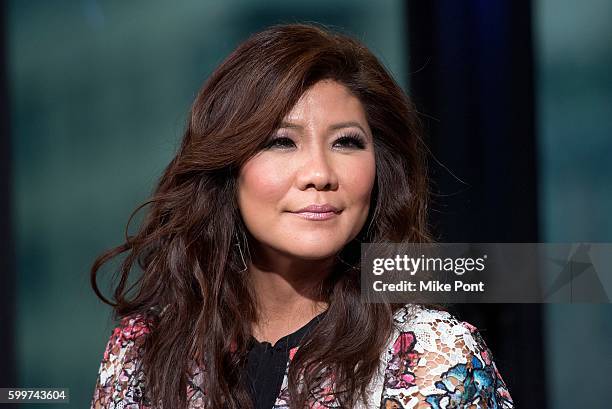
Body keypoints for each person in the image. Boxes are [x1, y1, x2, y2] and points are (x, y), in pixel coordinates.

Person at [89, 23, 514, 409]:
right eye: (281, 142)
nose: (320, 174)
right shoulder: (144, 350)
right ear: (228, 168)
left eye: (346, 142)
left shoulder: (431, 355)